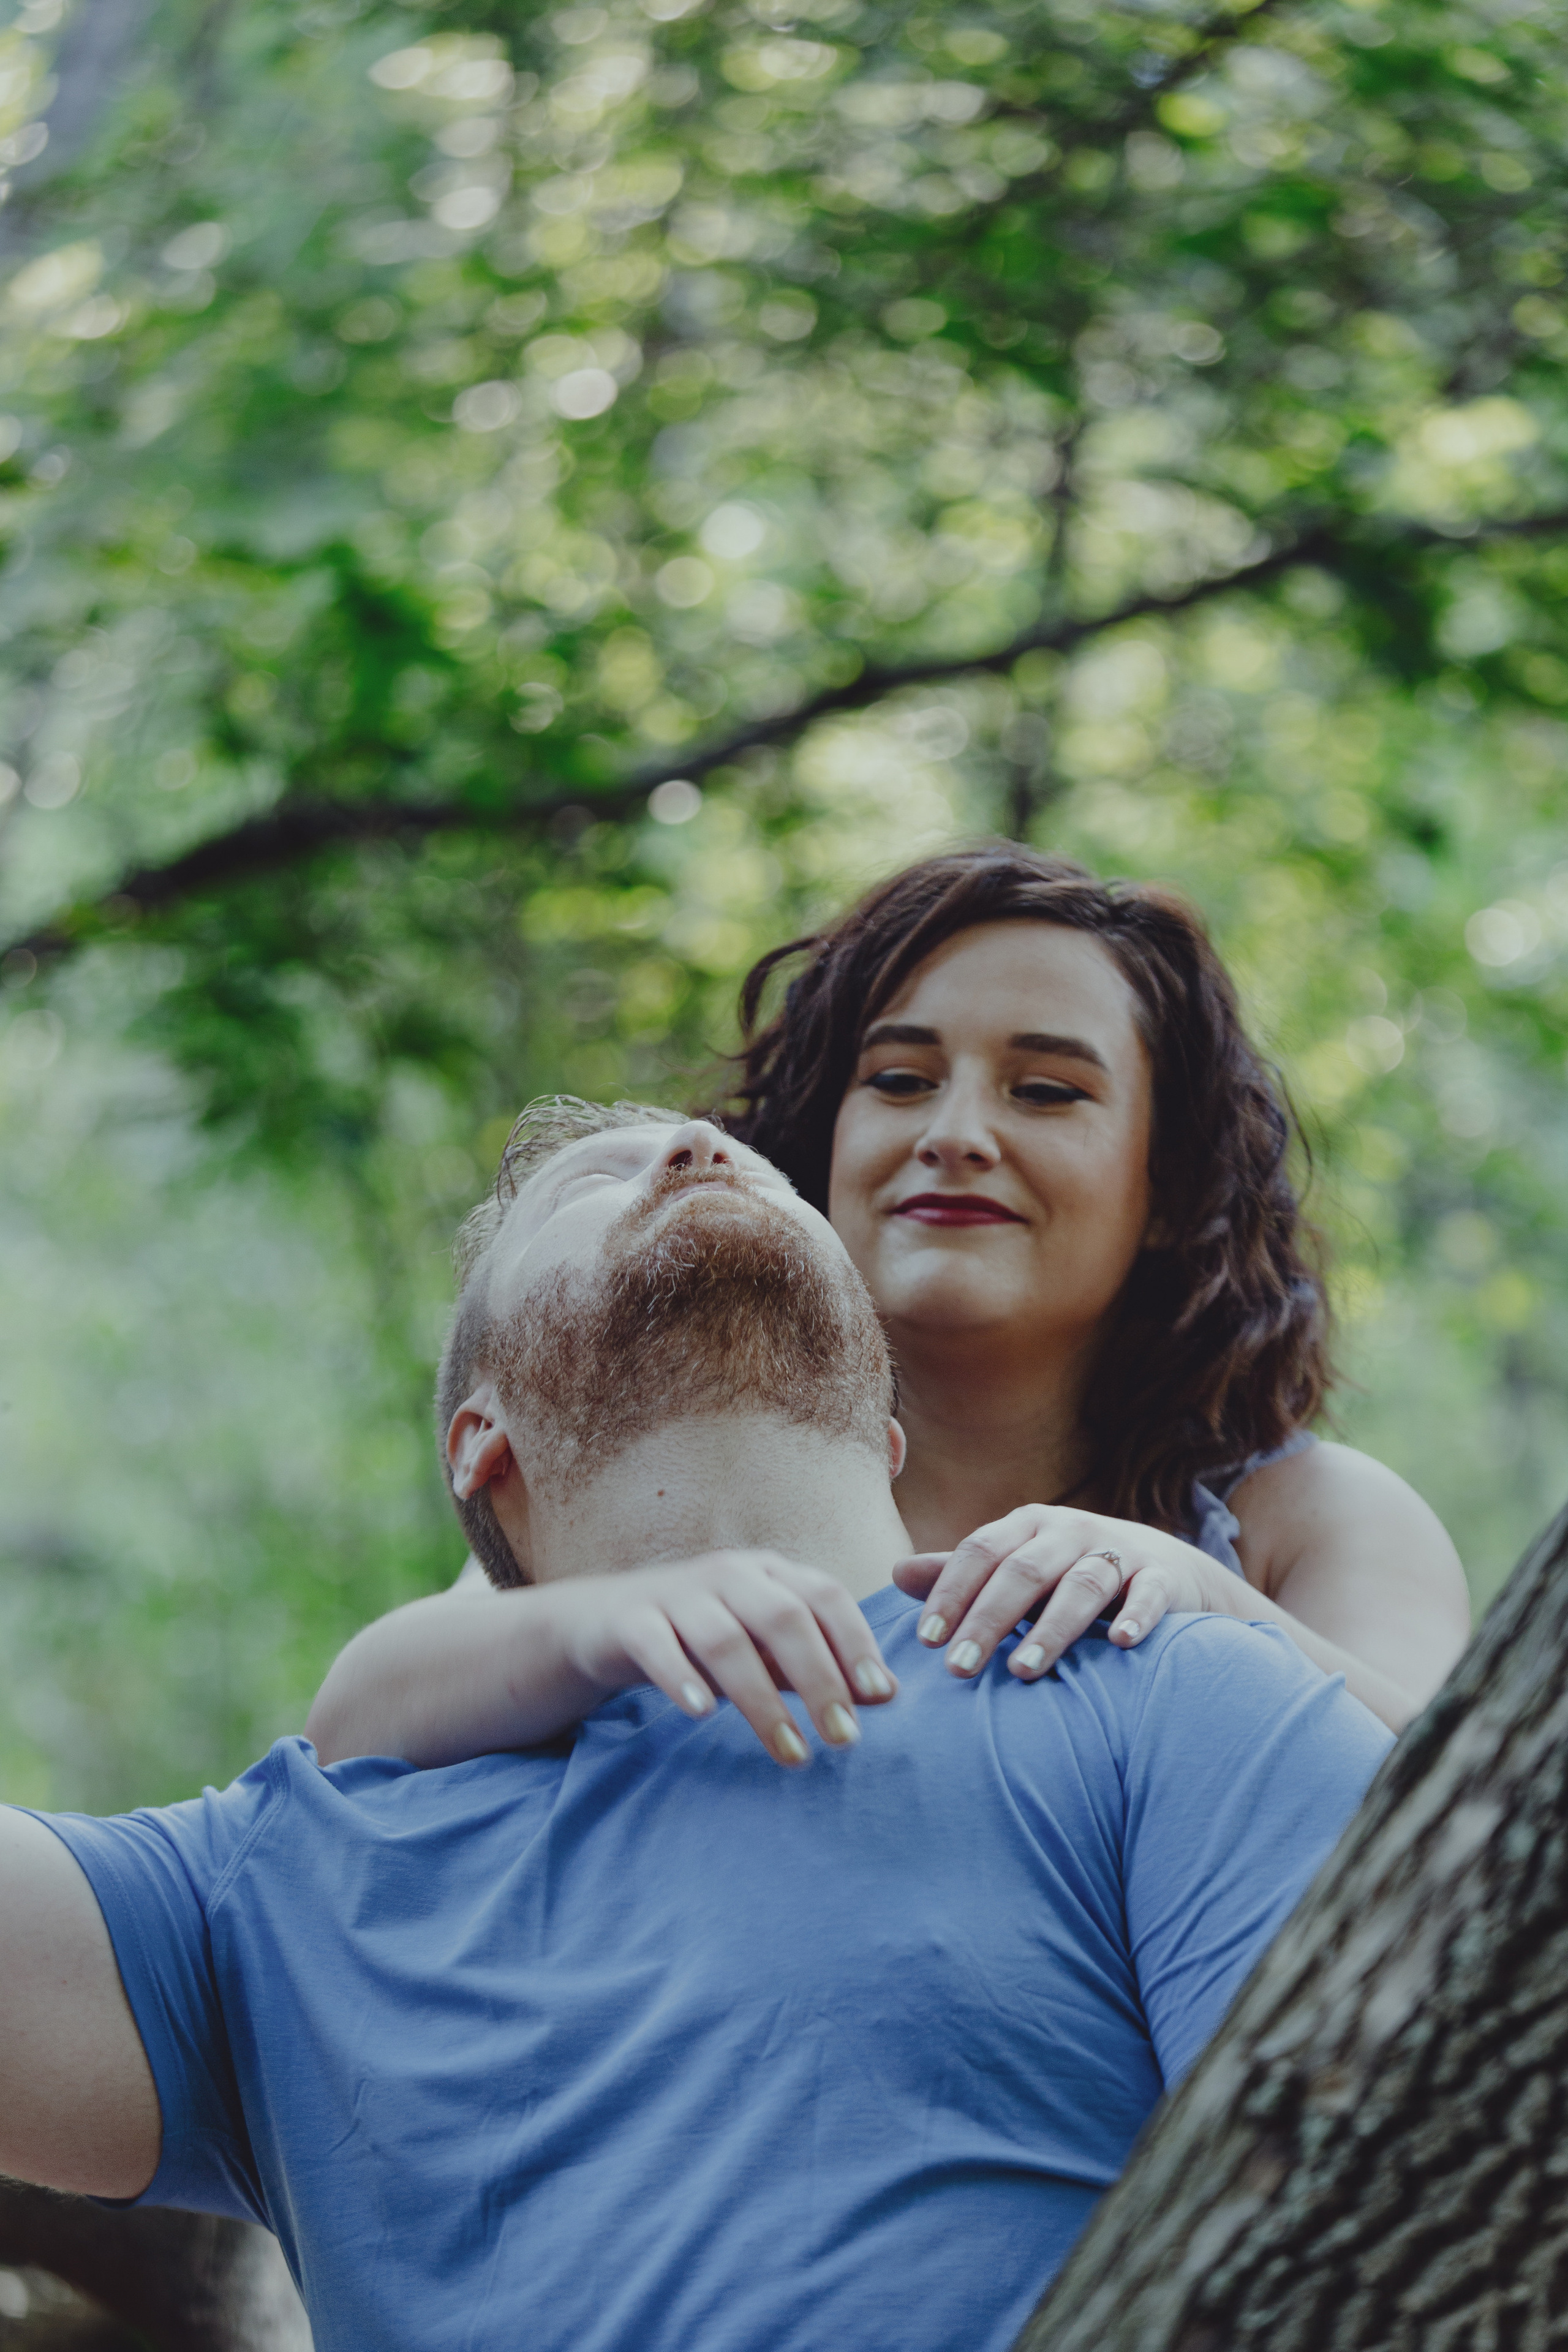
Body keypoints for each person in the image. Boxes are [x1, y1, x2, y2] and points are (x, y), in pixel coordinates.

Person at [1, 1105, 1393, 2352]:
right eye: (595, 1184)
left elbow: (1396, 2209)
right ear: (480, 1446)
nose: (696, 1149)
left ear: (885, 1422)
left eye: (766, 1178)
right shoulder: (268, 1888)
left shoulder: (1152, 1686)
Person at [307, 848, 1469, 1772]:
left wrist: (1200, 1603)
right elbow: (358, 1719)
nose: (954, 1134)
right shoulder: (682, 1485)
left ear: (1168, 1191)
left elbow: (1460, 1817)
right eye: (901, 1080)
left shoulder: (1304, 1518)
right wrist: (617, 1618)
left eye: (1048, 1092)